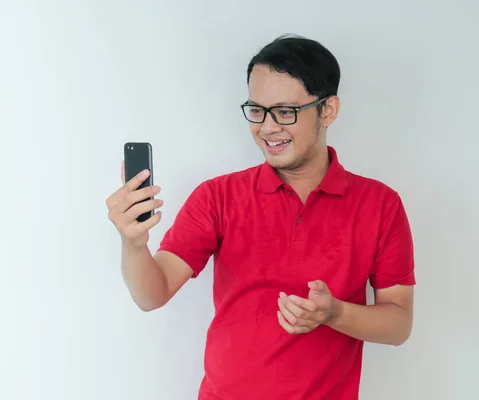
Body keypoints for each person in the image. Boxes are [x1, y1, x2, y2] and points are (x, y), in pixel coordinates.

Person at [106, 34, 416, 400]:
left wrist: (333, 313)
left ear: (328, 110)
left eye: (286, 112)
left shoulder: (380, 204)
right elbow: (151, 294)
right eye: (256, 110)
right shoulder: (217, 196)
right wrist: (133, 242)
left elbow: (398, 325)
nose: (267, 128)